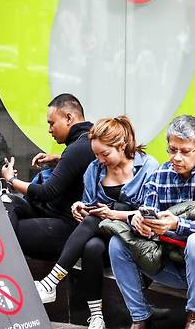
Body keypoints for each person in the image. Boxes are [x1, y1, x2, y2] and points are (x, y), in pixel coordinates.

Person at [109, 115, 195, 329]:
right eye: (172, 149)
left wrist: (177, 225)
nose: (176, 158)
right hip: (175, 267)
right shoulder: (160, 174)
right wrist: (140, 223)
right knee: (118, 243)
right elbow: (147, 212)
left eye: (185, 151)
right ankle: (140, 317)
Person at [33, 116, 158, 329]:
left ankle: (51, 281)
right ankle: (96, 316)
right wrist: (80, 206)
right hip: (104, 236)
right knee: (92, 247)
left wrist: (112, 214)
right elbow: (92, 205)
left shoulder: (148, 167)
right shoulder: (94, 169)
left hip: (135, 238)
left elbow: (151, 215)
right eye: (97, 154)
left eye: (105, 154)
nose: (100, 159)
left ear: (121, 145)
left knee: (103, 217)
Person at [0, 93, 95, 261]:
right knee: (6, 202)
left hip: (68, 226)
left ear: (68, 118)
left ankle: (4, 270)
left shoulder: (78, 148)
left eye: (52, 123)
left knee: (5, 233)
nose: (49, 129)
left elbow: (46, 192)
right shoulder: (85, 140)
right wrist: (59, 159)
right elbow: (77, 164)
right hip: (53, 213)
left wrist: (11, 180)